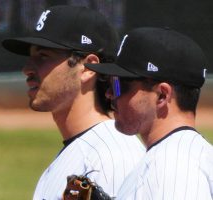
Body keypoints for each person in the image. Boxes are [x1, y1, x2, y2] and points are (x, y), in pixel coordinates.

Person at [2, 5, 145, 200]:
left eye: (43, 56)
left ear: (88, 67)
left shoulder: (110, 156)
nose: (27, 69)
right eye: (31, 56)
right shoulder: (79, 151)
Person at [85, 27, 213, 199]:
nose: (109, 93)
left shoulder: (172, 167)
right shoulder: (184, 155)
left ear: (162, 95)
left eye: (118, 84)